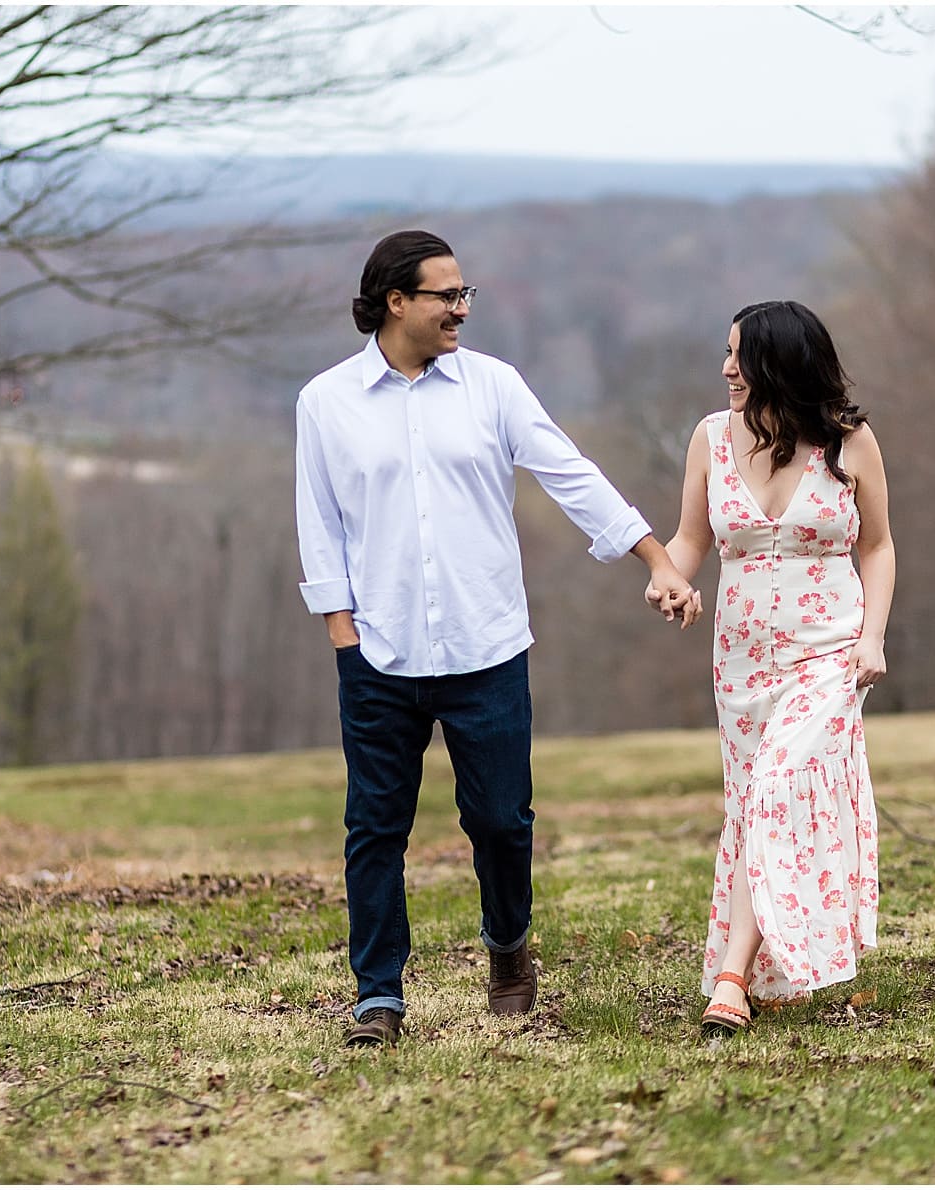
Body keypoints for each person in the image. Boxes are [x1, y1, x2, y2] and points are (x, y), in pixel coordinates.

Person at [295, 230, 701, 1048]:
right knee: (375, 827)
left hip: (487, 648)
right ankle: (379, 994)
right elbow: (320, 521)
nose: (462, 308)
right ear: (396, 300)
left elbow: (569, 473)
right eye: (447, 295)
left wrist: (653, 555)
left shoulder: (493, 386)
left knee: (502, 821)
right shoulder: (326, 402)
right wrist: (344, 635)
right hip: (379, 652)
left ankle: (508, 949)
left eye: (465, 293)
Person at [649, 299, 894, 1036]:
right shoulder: (709, 439)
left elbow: (878, 547)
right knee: (753, 802)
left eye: (740, 356)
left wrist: (872, 637)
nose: (726, 368)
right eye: (726, 353)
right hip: (741, 659)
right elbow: (691, 539)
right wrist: (671, 577)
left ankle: (729, 978)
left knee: (779, 789)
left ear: (780, 366)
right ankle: (764, 966)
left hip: (828, 650)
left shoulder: (849, 445)